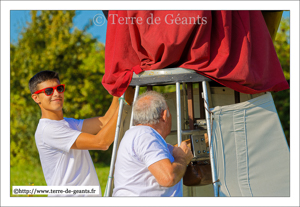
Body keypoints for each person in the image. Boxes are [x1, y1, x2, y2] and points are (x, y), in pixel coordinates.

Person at [29, 70, 133, 196]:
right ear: (36, 98)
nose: (56, 94)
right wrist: (126, 102)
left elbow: (105, 121)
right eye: (49, 91)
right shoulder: (49, 130)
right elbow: (101, 142)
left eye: (59, 88)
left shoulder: (68, 123)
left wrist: (120, 88)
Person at [112, 91, 193, 196]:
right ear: (164, 115)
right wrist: (182, 159)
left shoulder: (141, 135)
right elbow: (168, 178)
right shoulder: (145, 135)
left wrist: (207, 138)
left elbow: (176, 150)